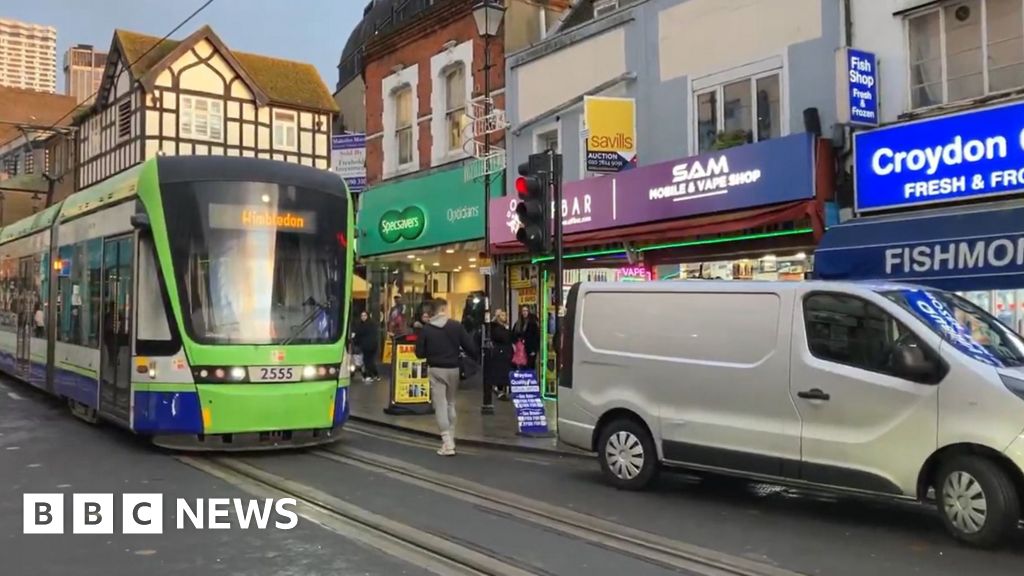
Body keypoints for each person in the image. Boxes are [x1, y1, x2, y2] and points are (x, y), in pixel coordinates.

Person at [415, 298, 476, 456]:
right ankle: (451, 438)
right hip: (454, 369)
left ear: (433, 311)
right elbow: (470, 347)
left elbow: (419, 353)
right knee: (451, 403)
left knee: (440, 405)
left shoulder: (427, 329)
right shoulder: (456, 326)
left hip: (436, 370)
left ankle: (447, 442)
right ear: (443, 309)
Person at [486, 309, 513, 400]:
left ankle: (502, 389)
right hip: (500, 352)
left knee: (504, 371)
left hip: (505, 353)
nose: (505, 317)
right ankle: (500, 390)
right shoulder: (497, 328)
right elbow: (503, 338)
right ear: (498, 317)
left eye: (505, 315)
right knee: (500, 372)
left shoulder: (503, 327)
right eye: (502, 315)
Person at [352, 310, 380, 382]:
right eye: (362, 316)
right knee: (370, 360)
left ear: (367, 316)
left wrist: (354, 338)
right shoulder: (371, 324)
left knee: (367, 361)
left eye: (365, 315)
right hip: (371, 345)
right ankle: (375, 375)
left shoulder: (365, 325)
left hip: (368, 345)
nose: (363, 317)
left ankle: (369, 376)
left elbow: (359, 334)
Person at [512, 305, 541, 372]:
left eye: (526, 311)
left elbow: (536, 337)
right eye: (523, 311)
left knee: (530, 366)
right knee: (521, 366)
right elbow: (514, 334)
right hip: (520, 349)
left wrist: (534, 349)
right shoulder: (518, 323)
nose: (524, 312)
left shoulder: (532, 323)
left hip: (530, 349)